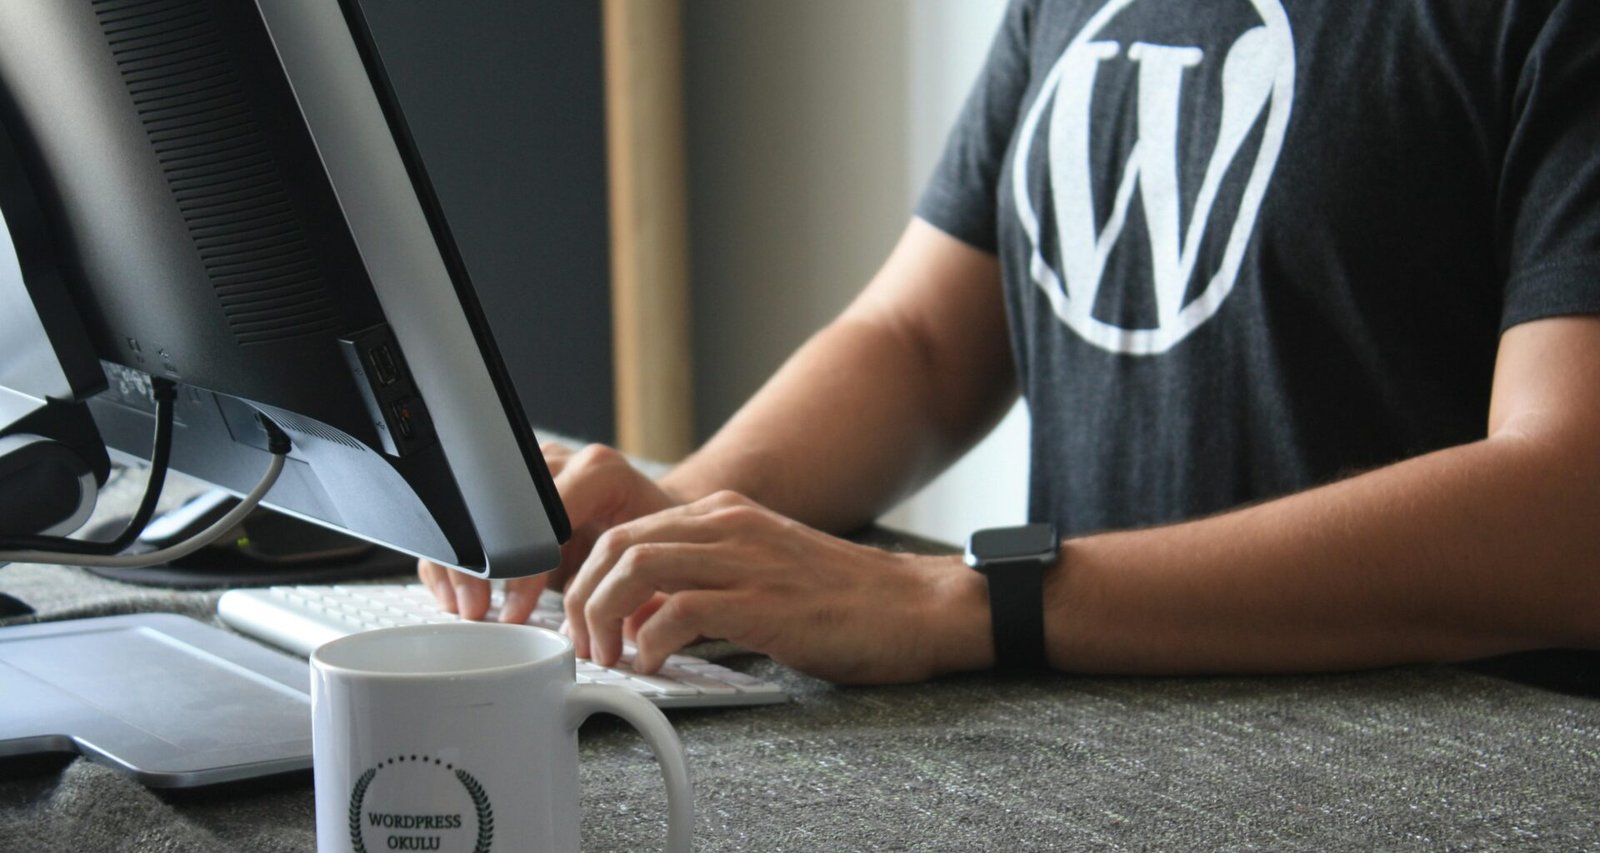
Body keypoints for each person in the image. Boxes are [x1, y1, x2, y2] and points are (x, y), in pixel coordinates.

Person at [421, 0, 1600, 684]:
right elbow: (923, 337)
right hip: (1100, 746)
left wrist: (968, 601)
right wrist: (677, 525)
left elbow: (1571, 509)